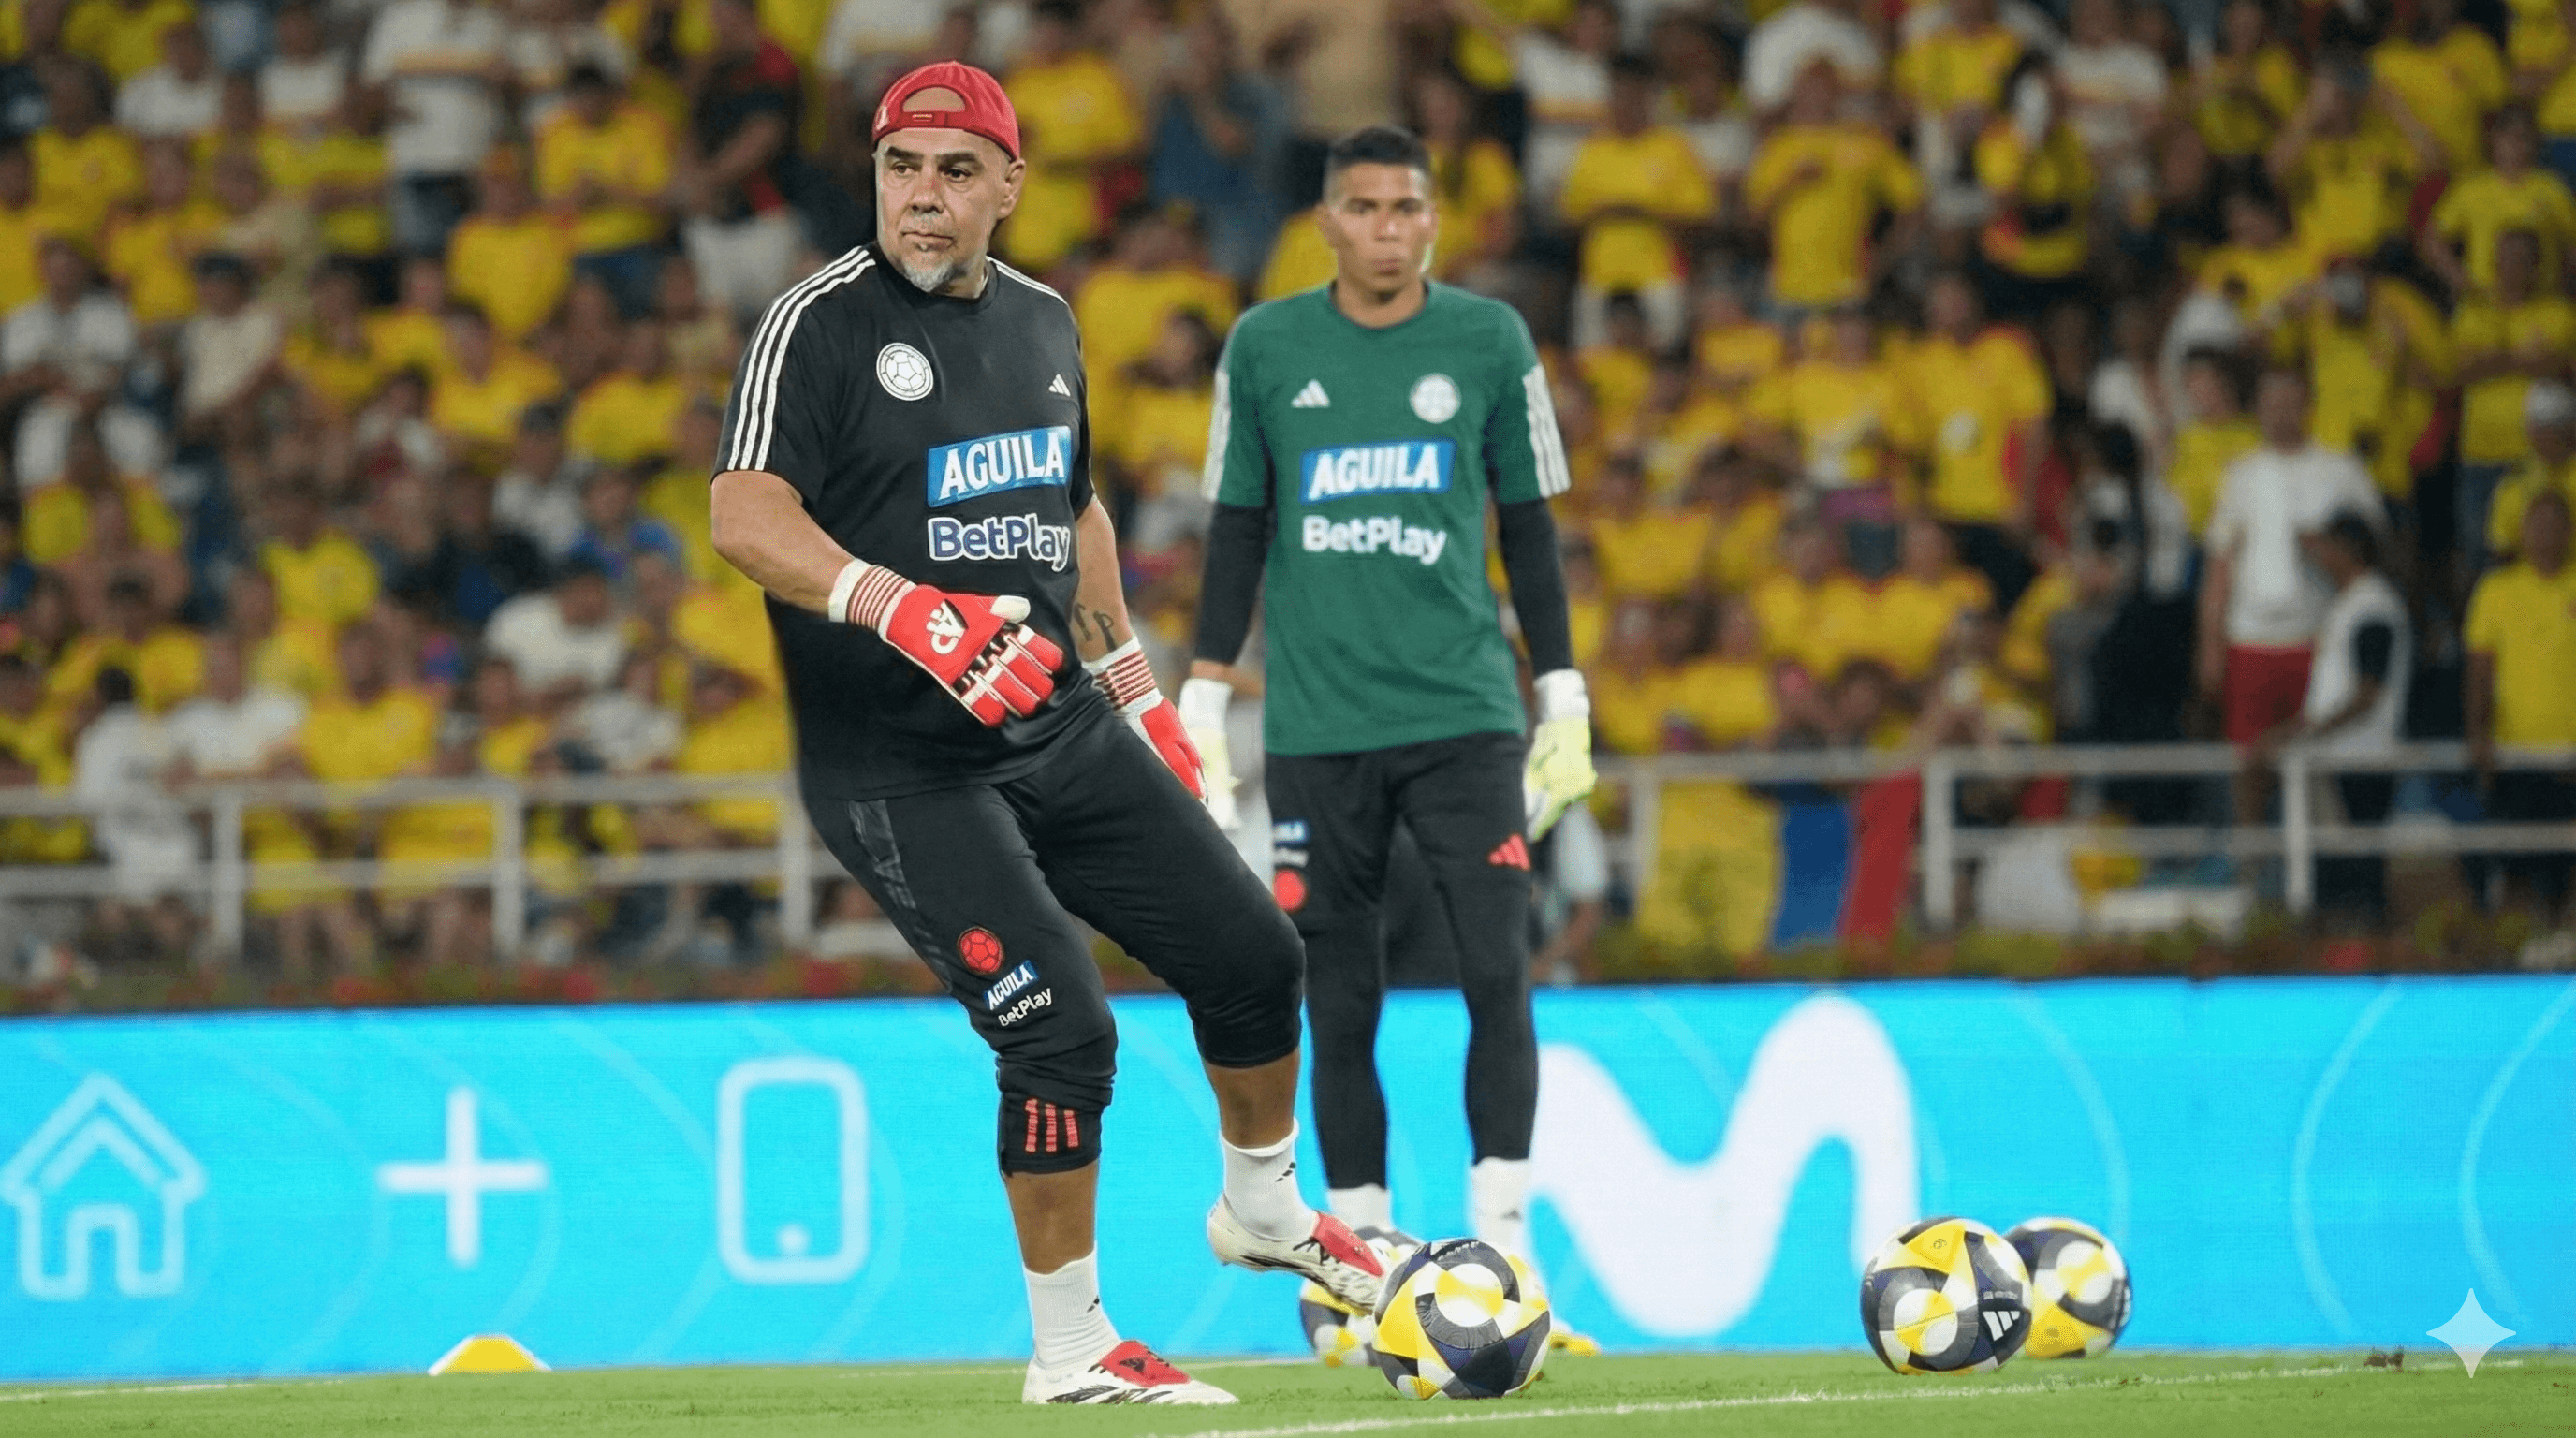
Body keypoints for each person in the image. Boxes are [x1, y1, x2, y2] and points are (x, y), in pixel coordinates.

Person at [703, 61, 1380, 1404]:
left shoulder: (1044, 321)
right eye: (902, 168)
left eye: (956, 171)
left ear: (1010, 186)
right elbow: (743, 515)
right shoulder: (815, 324)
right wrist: (903, 608)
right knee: (1062, 1028)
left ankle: (1263, 1210)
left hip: (1053, 721)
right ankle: (1070, 1350)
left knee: (1255, 957)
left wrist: (1133, 690)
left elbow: (1071, 513)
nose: (923, 196)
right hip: (896, 762)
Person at [1184, 125, 1596, 1349]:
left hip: (1466, 716)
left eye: (1406, 208)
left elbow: (1528, 528)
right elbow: (1237, 528)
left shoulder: (1489, 340)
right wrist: (1203, 692)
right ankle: (1354, 1268)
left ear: (1433, 220)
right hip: (1318, 725)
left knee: (1497, 969)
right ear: (1326, 222)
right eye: (1362, 208)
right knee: (1339, 996)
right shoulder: (1266, 347)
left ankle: (1506, 1247)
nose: (1386, 229)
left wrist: (1562, 691)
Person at [2199, 366, 2381, 824]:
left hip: (2320, 637)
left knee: (2316, 758)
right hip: (2252, 639)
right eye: (2270, 404)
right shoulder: (2241, 474)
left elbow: (2374, 547)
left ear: (2308, 407)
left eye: (2288, 403)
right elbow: (2220, 566)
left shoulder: (2341, 471)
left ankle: (2316, 858)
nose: (2279, 413)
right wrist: (2210, 644)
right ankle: (2252, 854)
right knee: (2250, 762)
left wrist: (2323, 548)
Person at [2261, 511, 2410, 930]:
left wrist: (2306, 733)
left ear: (2348, 550)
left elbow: (2368, 692)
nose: (2320, 558)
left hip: (2362, 757)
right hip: (2341, 754)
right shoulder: (2348, 604)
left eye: (2325, 547)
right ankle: (2348, 945)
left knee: (2358, 869)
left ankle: (2366, 948)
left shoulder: (2373, 605)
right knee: (2336, 865)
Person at [2464, 488, 2576, 958]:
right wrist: (2478, 734)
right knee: (2515, 868)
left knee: (2568, 870)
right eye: (2537, 524)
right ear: (2523, 532)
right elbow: (2479, 671)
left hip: (2570, 757)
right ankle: (2517, 959)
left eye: (2555, 524)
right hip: (2515, 755)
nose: (2545, 534)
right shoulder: (2497, 590)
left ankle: (2564, 954)